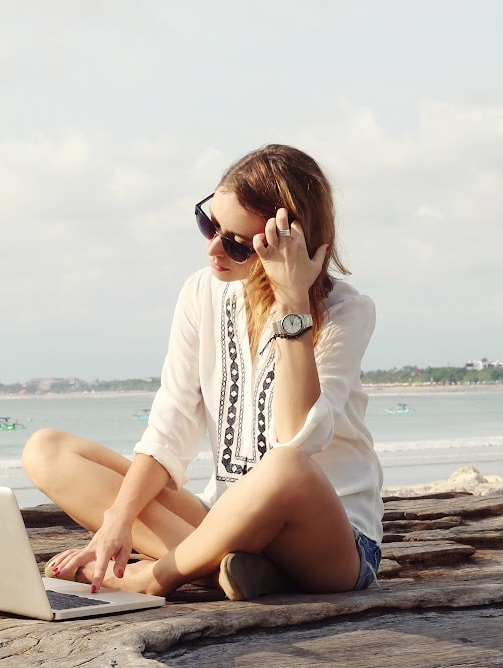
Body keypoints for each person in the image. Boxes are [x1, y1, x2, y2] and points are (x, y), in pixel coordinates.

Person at [22, 144, 382, 600]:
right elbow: (169, 428)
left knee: (286, 466)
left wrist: (293, 303)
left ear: (288, 243)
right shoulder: (201, 293)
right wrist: (117, 522)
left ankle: (158, 576)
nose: (213, 248)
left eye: (235, 242)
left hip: (333, 543)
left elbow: (298, 439)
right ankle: (232, 571)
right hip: (220, 522)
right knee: (47, 450)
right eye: (208, 223)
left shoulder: (346, 312)